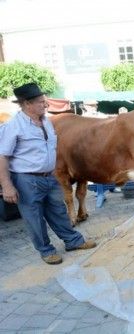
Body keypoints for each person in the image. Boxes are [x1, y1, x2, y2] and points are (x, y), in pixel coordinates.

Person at [0, 83, 96, 265]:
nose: (45, 105)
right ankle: (46, 250)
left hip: (49, 177)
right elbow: (2, 157)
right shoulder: (13, 126)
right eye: (41, 102)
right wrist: (7, 186)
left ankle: (73, 241)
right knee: (34, 218)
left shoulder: (45, 122)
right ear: (27, 104)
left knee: (58, 210)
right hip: (25, 180)